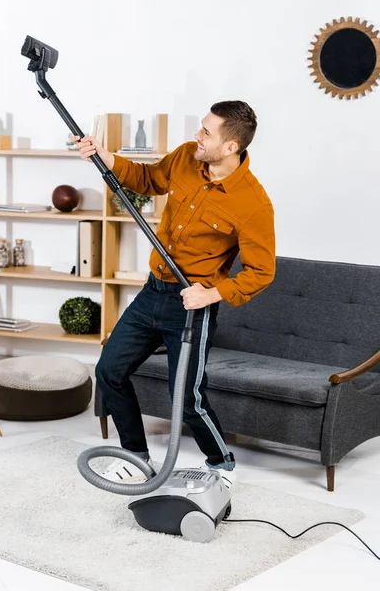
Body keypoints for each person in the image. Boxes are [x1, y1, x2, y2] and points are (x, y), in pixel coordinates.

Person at [75, 100, 275, 490]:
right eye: (201, 128)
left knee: (185, 396)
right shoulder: (186, 157)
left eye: (206, 132)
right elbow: (148, 180)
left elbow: (261, 272)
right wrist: (105, 156)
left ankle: (222, 464)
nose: (197, 137)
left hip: (191, 305)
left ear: (231, 147)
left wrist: (212, 294)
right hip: (153, 292)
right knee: (109, 371)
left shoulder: (252, 203)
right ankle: (136, 456)